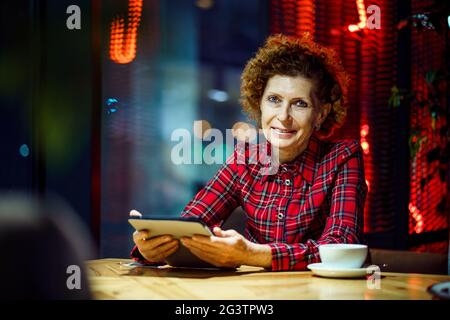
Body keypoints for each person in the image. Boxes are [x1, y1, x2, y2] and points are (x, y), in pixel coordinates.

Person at [131, 33, 368, 271]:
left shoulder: (343, 157)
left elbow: (340, 245)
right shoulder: (244, 159)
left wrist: (252, 254)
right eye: (274, 99)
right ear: (260, 104)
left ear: (321, 113)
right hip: (254, 295)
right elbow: (192, 223)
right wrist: (153, 247)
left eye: (300, 103)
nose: (283, 117)